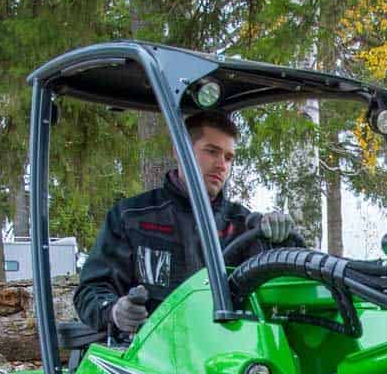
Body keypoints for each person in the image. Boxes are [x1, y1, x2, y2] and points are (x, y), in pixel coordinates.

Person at [74, 108, 303, 335]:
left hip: (226, 350)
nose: (221, 165)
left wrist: (281, 241)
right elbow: (91, 291)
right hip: (150, 353)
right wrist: (114, 311)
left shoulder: (242, 225)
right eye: (212, 152)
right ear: (180, 152)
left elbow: (281, 286)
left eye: (228, 157)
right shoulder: (132, 217)